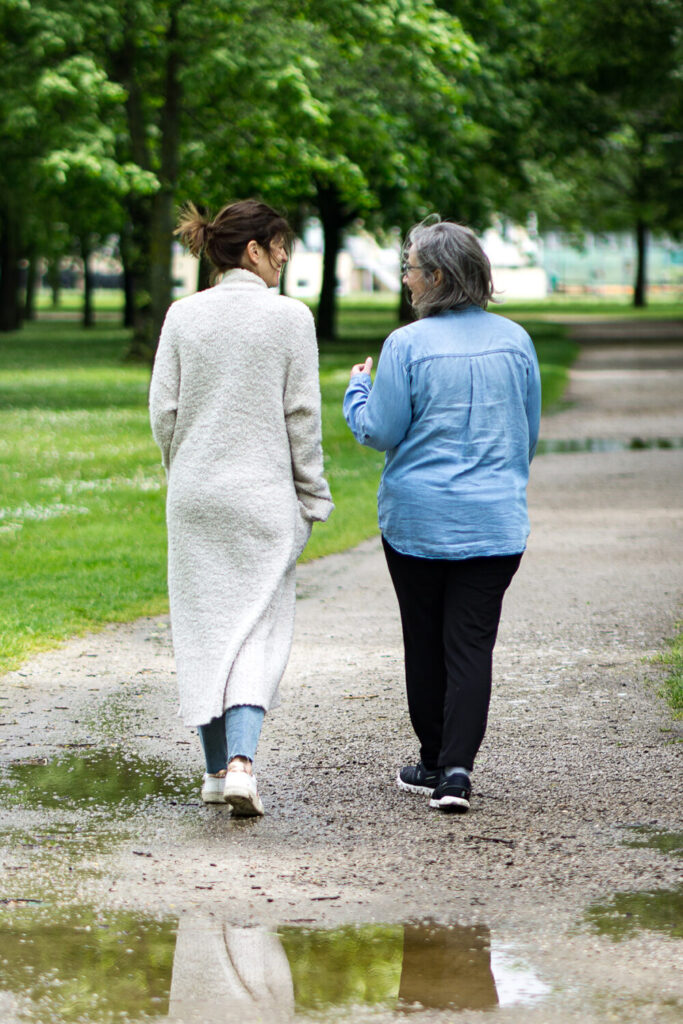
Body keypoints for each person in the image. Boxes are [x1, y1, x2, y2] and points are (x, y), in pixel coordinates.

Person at [343, 218, 541, 814]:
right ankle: (457, 772)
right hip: (495, 521)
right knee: (471, 646)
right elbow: (526, 437)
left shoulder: (405, 345)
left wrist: (357, 391)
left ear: (434, 277)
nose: (405, 280)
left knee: (424, 640)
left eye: (409, 269)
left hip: (418, 522)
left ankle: (432, 763)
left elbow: (379, 431)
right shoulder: (517, 341)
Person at [149, 199, 333, 816]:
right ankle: (241, 765)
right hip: (263, 496)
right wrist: (312, 492)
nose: (285, 256)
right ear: (253, 249)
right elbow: (301, 417)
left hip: (196, 496)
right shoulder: (291, 319)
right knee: (258, 624)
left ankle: (210, 770)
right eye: (280, 245)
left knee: (203, 627)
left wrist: (189, 470)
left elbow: (164, 414)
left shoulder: (182, 315)